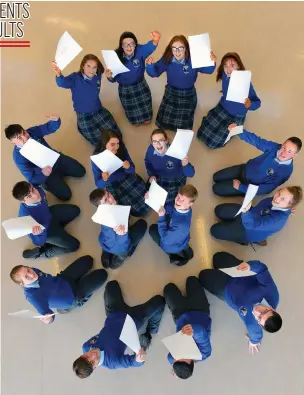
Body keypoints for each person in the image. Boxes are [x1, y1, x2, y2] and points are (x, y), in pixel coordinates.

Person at [72, 280, 165, 377]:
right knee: (160, 301)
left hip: (114, 315)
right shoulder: (113, 362)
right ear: (95, 368)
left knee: (111, 285)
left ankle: (109, 310)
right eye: (92, 362)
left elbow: (100, 335)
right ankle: (151, 329)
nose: (93, 355)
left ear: (82, 355)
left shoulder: (86, 346)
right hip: (133, 320)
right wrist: (138, 360)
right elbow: (132, 362)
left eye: (87, 356)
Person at [199, 252, 282, 354]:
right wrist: (250, 265)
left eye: (259, 318)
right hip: (239, 272)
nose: (257, 311)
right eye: (264, 311)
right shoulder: (272, 294)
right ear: (273, 309)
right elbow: (262, 269)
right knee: (217, 257)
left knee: (202, 275)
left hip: (226, 290)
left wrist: (253, 342)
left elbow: (255, 334)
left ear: (260, 324)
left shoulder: (253, 325)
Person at [5, 115, 86, 201]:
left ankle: (62, 172)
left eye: (24, 133)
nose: (25, 137)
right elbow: (31, 178)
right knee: (66, 196)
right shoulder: (18, 158)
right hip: (46, 175)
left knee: (81, 171)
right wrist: (43, 174)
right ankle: (49, 184)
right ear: (13, 143)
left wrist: (55, 121)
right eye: (19, 138)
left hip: (56, 159)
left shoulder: (32, 132)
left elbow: (47, 128)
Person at [146, 35, 216, 131]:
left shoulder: (193, 59)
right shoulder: (167, 59)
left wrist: (211, 61)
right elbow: (155, 73)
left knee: (183, 120)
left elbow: (208, 70)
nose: (177, 52)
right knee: (166, 117)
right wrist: (150, 66)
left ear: (186, 48)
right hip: (171, 91)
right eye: (174, 49)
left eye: (180, 48)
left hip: (188, 93)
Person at [9, 255, 108, 324]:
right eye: (26, 277)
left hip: (64, 279)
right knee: (102, 274)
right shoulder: (33, 297)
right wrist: (49, 319)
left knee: (88, 260)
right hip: (72, 296)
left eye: (28, 270)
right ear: (23, 284)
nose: (31, 274)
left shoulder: (33, 270)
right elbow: (46, 314)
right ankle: (75, 304)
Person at [52, 54, 122, 146]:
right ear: (83, 66)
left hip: (98, 110)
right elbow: (62, 83)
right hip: (83, 114)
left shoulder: (98, 75)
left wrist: (109, 76)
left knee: (115, 134)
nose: (91, 70)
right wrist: (58, 73)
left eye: (94, 67)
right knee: (99, 141)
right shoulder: (75, 77)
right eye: (88, 66)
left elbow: (108, 75)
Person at [213, 126, 301, 196]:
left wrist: (241, 188)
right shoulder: (275, 147)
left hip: (249, 185)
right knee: (215, 177)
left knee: (216, 189)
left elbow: (265, 189)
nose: (283, 152)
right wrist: (237, 130)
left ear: (294, 155)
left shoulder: (285, 172)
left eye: (289, 151)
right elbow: (257, 141)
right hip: (245, 169)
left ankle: (241, 193)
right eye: (284, 147)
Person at [197, 52, 261, 149]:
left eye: (232, 65)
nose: (228, 69)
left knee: (215, 141)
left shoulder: (245, 83)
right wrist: (211, 61)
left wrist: (249, 104)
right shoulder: (224, 75)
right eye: (225, 66)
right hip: (222, 108)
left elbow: (257, 102)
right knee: (205, 129)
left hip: (236, 115)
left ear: (238, 66)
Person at [210, 186, 302, 246]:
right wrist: (288, 210)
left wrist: (246, 212)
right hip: (251, 213)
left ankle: (247, 240)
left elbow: (252, 225)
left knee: (214, 231)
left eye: (282, 199)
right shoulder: (279, 203)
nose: (277, 198)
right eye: (279, 193)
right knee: (218, 210)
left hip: (249, 229)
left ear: (289, 205)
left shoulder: (276, 221)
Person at [13, 181, 80, 259]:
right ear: (23, 201)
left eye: (33, 190)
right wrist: (39, 233)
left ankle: (58, 231)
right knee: (74, 246)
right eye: (29, 196)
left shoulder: (38, 190)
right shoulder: (26, 219)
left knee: (75, 210)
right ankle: (43, 252)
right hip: (45, 232)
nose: (36, 195)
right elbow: (38, 242)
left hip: (49, 215)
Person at [106, 31, 161, 126]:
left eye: (131, 44)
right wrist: (109, 76)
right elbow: (113, 79)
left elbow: (149, 47)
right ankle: (134, 119)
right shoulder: (115, 57)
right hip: (125, 88)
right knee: (130, 107)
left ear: (135, 45)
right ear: (121, 46)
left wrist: (156, 40)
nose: (129, 47)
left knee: (145, 104)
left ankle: (146, 117)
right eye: (125, 44)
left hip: (140, 84)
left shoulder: (139, 50)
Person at [91, 130, 149, 217]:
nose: (116, 147)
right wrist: (104, 179)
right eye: (112, 144)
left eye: (117, 143)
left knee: (146, 201)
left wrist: (128, 167)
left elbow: (132, 170)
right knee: (137, 209)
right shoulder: (96, 159)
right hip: (112, 184)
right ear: (104, 143)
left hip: (126, 177)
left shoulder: (121, 148)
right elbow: (99, 185)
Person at [164, 277, 212, 379]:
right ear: (193, 361)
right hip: (200, 310)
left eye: (178, 356)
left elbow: (169, 358)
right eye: (185, 355)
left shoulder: (173, 358)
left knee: (168, 288)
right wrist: (193, 330)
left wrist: (175, 369)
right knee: (191, 280)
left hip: (180, 315)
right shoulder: (204, 354)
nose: (181, 352)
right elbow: (202, 335)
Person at [89, 188, 147, 269]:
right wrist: (122, 235)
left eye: (108, 194)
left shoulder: (102, 217)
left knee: (109, 245)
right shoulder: (112, 224)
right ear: (101, 208)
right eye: (105, 200)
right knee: (142, 224)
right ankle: (118, 260)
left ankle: (106, 253)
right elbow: (122, 244)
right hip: (120, 247)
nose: (110, 198)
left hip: (104, 242)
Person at [149, 184, 198, 265]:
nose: (178, 201)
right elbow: (172, 208)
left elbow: (165, 239)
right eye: (178, 196)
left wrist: (161, 217)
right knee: (184, 246)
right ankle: (188, 253)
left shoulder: (181, 225)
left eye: (182, 200)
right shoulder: (186, 208)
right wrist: (152, 198)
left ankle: (175, 258)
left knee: (152, 229)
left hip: (170, 245)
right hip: (184, 240)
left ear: (190, 204)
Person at [144, 129, 195, 205]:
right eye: (154, 141)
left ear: (166, 141)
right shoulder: (151, 150)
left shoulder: (176, 151)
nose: (158, 144)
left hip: (175, 179)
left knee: (171, 202)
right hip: (159, 177)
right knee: (150, 197)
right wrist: (152, 175)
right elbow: (148, 163)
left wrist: (186, 165)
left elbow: (191, 174)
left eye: (161, 140)